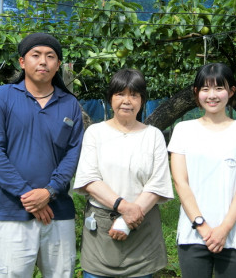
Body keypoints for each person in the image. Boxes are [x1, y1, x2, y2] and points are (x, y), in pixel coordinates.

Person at [0, 33, 84, 278]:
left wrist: (48, 192)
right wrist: (28, 195)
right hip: (13, 212)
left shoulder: (69, 104)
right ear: (22, 62)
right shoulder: (1, 98)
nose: (43, 62)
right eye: (35, 55)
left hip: (58, 212)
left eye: (50, 56)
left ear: (58, 65)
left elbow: (73, 153)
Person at [167, 62, 236, 278]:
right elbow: (180, 182)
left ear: (231, 91)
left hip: (235, 235)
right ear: (196, 93)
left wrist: (224, 229)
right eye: (205, 89)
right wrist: (201, 225)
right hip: (193, 235)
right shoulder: (183, 130)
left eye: (219, 88)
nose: (212, 95)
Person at [73, 68, 174, 278]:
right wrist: (124, 207)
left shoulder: (153, 136)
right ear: (110, 98)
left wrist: (129, 218)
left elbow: (157, 183)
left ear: (142, 100)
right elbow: (89, 179)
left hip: (141, 226)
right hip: (101, 228)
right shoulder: (95, 133)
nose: (127, 101)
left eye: (134, 95)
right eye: (120, 94)